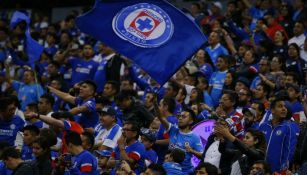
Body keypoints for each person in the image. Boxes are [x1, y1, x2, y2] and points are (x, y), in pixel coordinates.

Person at [157, 108, 203, 174]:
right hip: (169, 168)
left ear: (191, 121)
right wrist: (155, 104)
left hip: (185, 172)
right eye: (179, 116)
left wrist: (191, 151)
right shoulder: (173, 129)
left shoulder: (195, 137)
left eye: (183, 117)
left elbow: (202, 156)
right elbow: (161, 117)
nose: (180, 118)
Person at [259, 98, 298, 173]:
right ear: (272, 110)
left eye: (285, 107)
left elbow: (288, 151)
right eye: (280, 106)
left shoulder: (288, 128)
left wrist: (282, 169)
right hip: (259, 167)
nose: (284, 109)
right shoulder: (263, 126)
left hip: (276, 169)